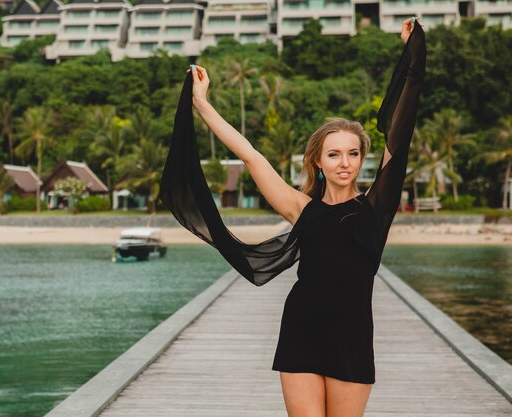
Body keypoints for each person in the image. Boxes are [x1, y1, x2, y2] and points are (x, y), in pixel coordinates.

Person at [159, 17, 426, 417]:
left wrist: (413, 54)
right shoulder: (300, 208)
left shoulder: (376, 207)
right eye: (334, 154)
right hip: (302, 329)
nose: (344, 163)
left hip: (352, 337)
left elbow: (399, 134)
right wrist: (202, 104)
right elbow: (250, 155)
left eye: (353, 154)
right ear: (318, 161)